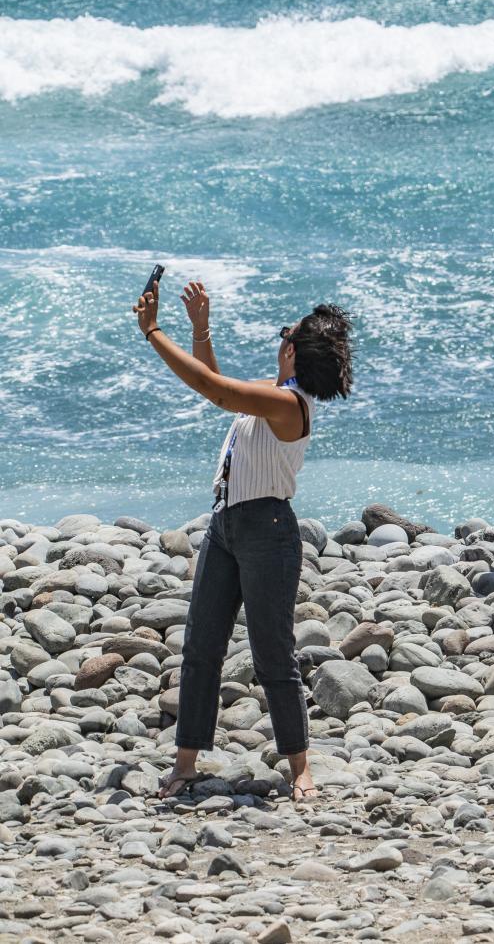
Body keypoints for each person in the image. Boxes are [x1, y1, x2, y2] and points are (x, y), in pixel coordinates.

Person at [133, 280, 354, 802]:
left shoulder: (289, 405)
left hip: (268, 532)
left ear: (294, 350)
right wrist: (200, 329)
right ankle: (185, 764)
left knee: (272, 652)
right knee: (201, 647)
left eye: (286, 334)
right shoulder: (273, 395)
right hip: (226, 526)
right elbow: (218, 384)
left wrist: (153, 333)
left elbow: (216, 391)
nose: (281, 339)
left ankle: (300, 767)